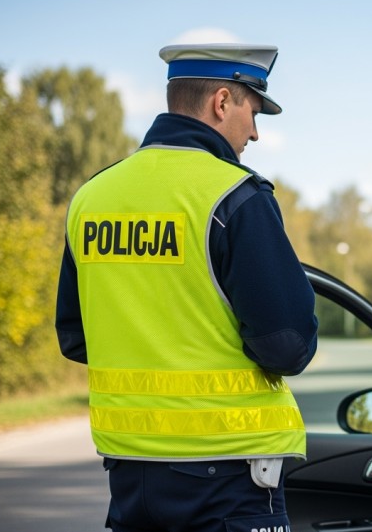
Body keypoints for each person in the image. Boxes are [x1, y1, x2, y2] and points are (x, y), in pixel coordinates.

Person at [55, 43, 319, 531]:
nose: (256, 133)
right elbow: (288, 346)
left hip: (130, 476)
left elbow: (77, 337)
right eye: (254, 112)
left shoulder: (91, 198)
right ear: (222, 102)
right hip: (231, 477)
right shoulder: (235, 195)